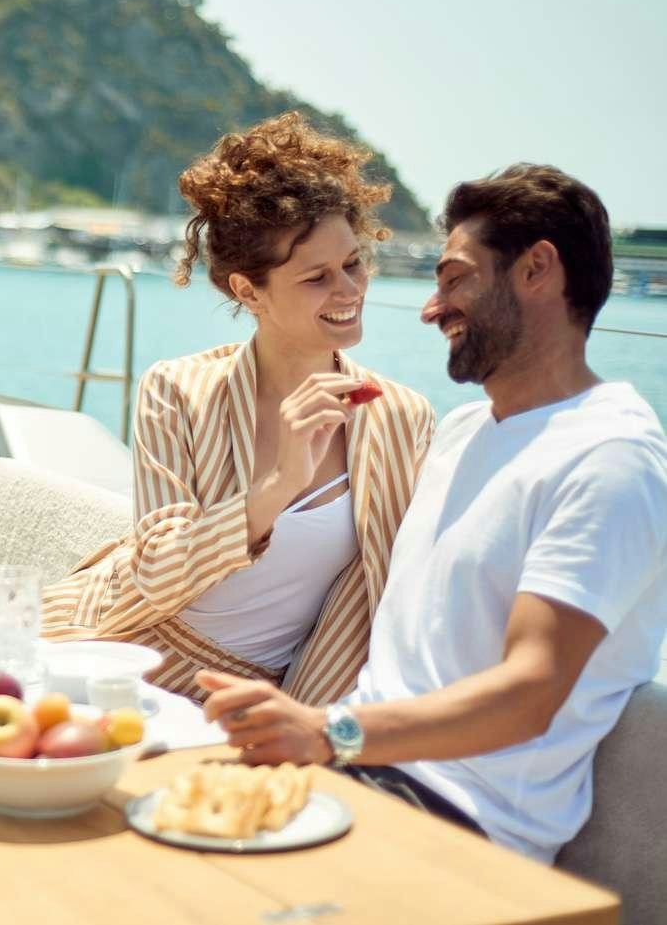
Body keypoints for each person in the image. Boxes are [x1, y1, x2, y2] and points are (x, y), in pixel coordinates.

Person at [198, 163, 667, 862]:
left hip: (458, 822)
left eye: (454, 278)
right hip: (348, 780)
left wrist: (329, 730)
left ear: (538, 269)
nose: (430, 306)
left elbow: (531, 690)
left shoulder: (611, 457)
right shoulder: (461, 431)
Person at [41, 112, 434, 705]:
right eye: (316, 277)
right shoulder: (178, 390)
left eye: (354, 263)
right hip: (114, 647)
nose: (349, 290)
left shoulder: (401, 417)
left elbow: (403, 589)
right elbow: (154, 574)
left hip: (252, 699)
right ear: (249, 291)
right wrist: (277, 487)